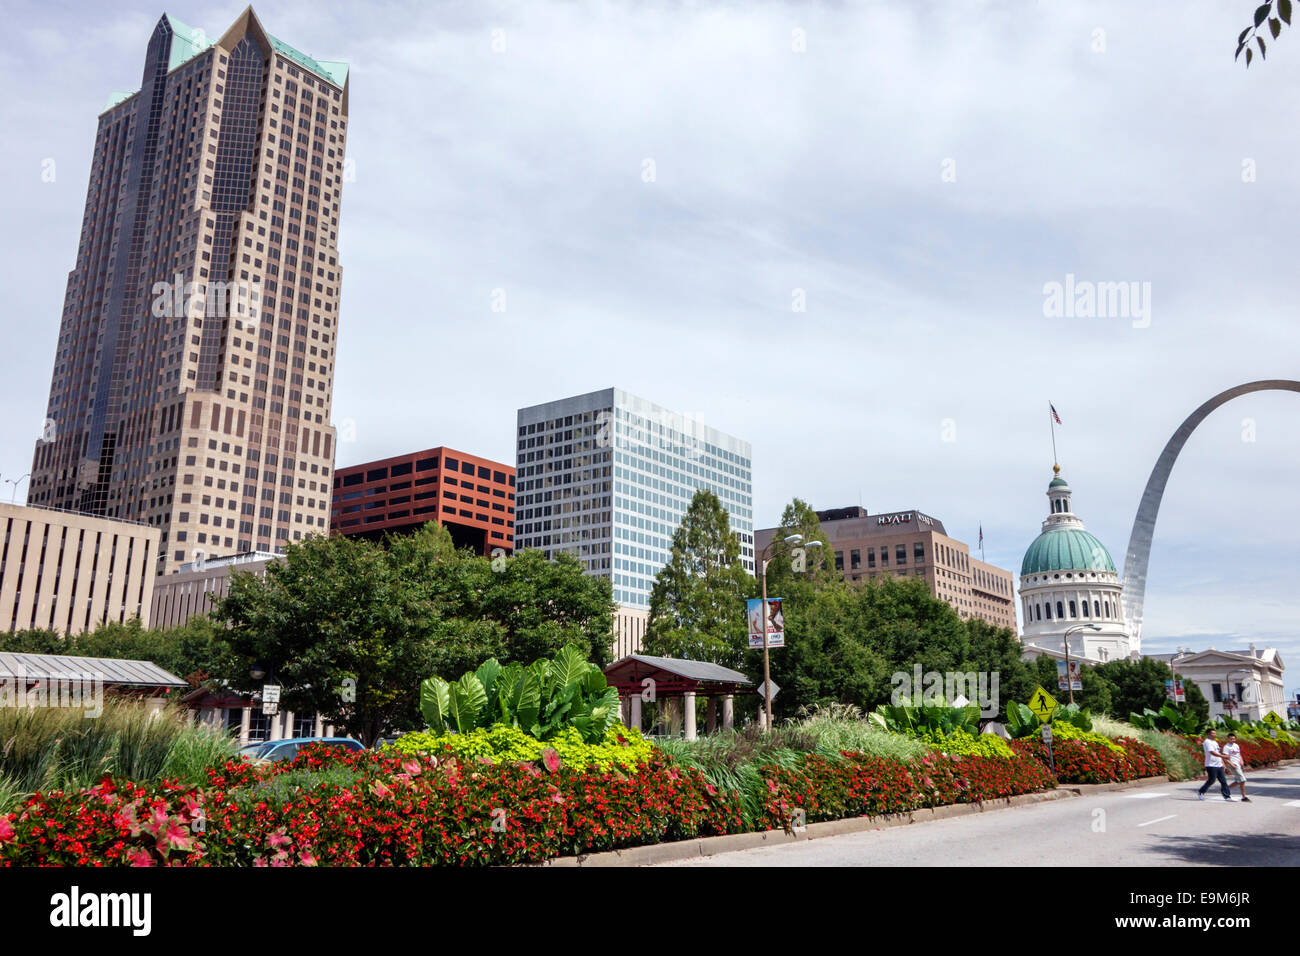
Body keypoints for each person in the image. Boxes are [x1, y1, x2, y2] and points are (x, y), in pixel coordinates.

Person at [1197, 728, 1232, 801]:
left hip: (1219, 765)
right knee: (1211, 780)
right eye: (1213, 733)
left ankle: (1227, 796)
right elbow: (1212, 752)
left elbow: (1218, 753)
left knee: (1223, 781)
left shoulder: (1215, 742)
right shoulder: (1207, 742)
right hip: (1211, 765)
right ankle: (1201, 792)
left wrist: (1223, 764)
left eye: (1215, 733)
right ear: (1208, 734)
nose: (1215, 735)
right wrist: (1224, 756)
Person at [1222, 732, 1250, 802]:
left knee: (1238, 781)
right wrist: (1231, 765)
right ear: (1228, 739)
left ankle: (1225, 789)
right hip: (1232, 764)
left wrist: (1241, 761)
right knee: (1242, 780)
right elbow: (1225, 758)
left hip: (1238, 764)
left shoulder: (1236, 745)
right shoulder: (1226, 747)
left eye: (1234, 739)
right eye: (1231, 739)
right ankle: (1244, 797)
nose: (1233, 740)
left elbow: (1239, 754)